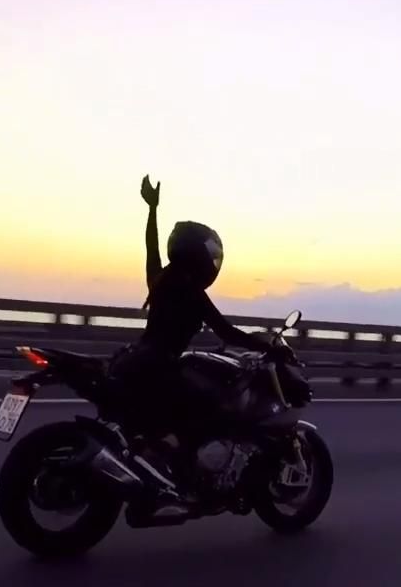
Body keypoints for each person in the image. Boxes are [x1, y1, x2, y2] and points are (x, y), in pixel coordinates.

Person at [108, 173, 276, 446]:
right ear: (200, 256)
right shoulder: (190, 291)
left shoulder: (161, 279)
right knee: (207, 415)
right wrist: (268, 347)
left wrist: (152, 209)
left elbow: (151, 247)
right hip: (159, 367)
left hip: (136, 359)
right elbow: (226, 332)